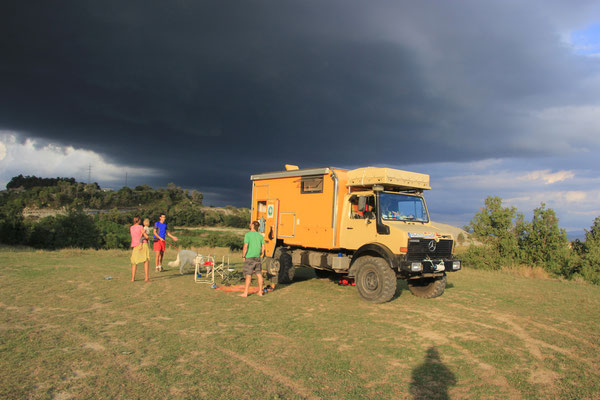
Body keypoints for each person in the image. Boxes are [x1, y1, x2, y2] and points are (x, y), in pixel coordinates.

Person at [239, 220, 265, 297]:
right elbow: (263, 248)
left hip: (249, 257)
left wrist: (243, 256)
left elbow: (245, 247)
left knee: (248, 275)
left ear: (253, 225)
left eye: (251, 224)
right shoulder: (260, 236)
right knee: (259, 274)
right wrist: (260, 254)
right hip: (257, 257)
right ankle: (260, 292)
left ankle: (245, 293)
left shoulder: (248, 235)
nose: (249, 225)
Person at [130, 216, 150, 282]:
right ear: (138, 221)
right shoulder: (141, 227)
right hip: (143, 244)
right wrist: (147, 236)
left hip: (135, 245)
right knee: (146, 261)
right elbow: (146, 237)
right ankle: (146, 278)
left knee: (134, 262)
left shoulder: (131, 228)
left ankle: (133, 278)